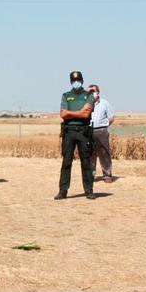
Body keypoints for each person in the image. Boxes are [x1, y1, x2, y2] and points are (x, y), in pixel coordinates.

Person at [56, 70, 96, 200]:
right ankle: (63, 191)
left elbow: (86, 114)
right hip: (69, 132)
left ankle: (89, 190)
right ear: (71, 82)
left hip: (83, 132)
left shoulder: (88, 95)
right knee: (66, 162)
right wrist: (79, 111)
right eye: (73, 81)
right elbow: (62, 114)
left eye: (78, 80)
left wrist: (70, 112)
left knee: (86, 162)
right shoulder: (66, 96)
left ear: (82, 81)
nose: (76, 82)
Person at [88, 83, 116, 183]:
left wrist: (105, 125)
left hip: (102, 131)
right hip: (89, 130)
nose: (91, 93)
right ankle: (91, 175)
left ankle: (107, 175)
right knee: (90, 153)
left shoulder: (105, 103)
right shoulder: (86, 103)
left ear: (98, 92)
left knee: (104, 153)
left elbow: (111, 117)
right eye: (89, 91)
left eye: (93, 91)